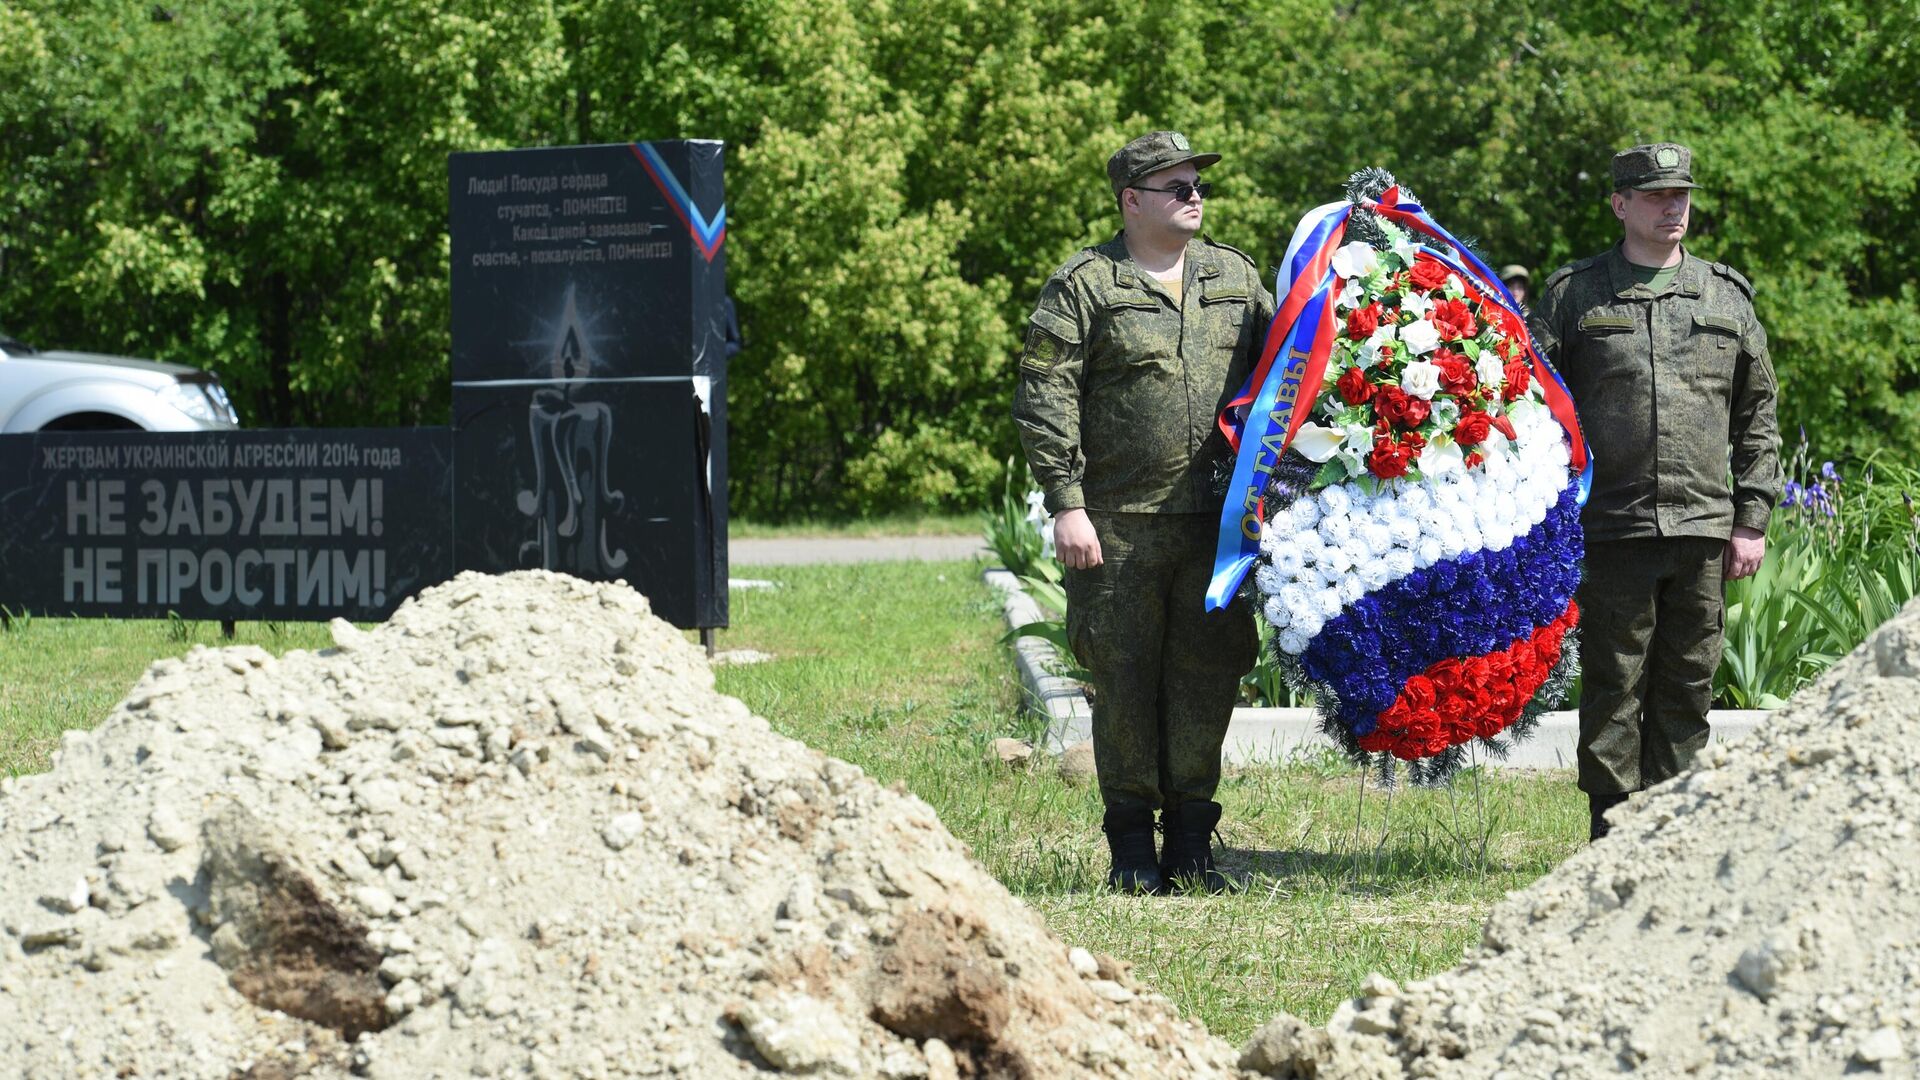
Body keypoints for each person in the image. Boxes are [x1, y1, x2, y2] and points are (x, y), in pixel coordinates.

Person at [1012, 131, 1273, 893]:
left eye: (1197, 184)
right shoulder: (1087, 283)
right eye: (1174, 186)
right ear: (1131, 201)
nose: (1194, 195)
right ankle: (1131, 851)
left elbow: (1286, 369)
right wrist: (1067, 504)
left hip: (1215, 527)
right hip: (1117, 526)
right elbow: (1045, 395)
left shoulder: (1234, 276)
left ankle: (1192, 844)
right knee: (1124, 684)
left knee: (1207, 678)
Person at [1528, 142, 1781, 840]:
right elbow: (1532, 411)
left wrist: (1751, 517)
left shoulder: (1725, 295)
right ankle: (1612, 837)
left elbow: (1757, 413)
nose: (1674, 207)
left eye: (1683, 195)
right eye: (1657, 195)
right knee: (1614, 689)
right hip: (1612, 527)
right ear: (1620, 204)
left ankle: (1672, 837)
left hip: (1702, 527)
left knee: (1686, 691)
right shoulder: (1574, 294)